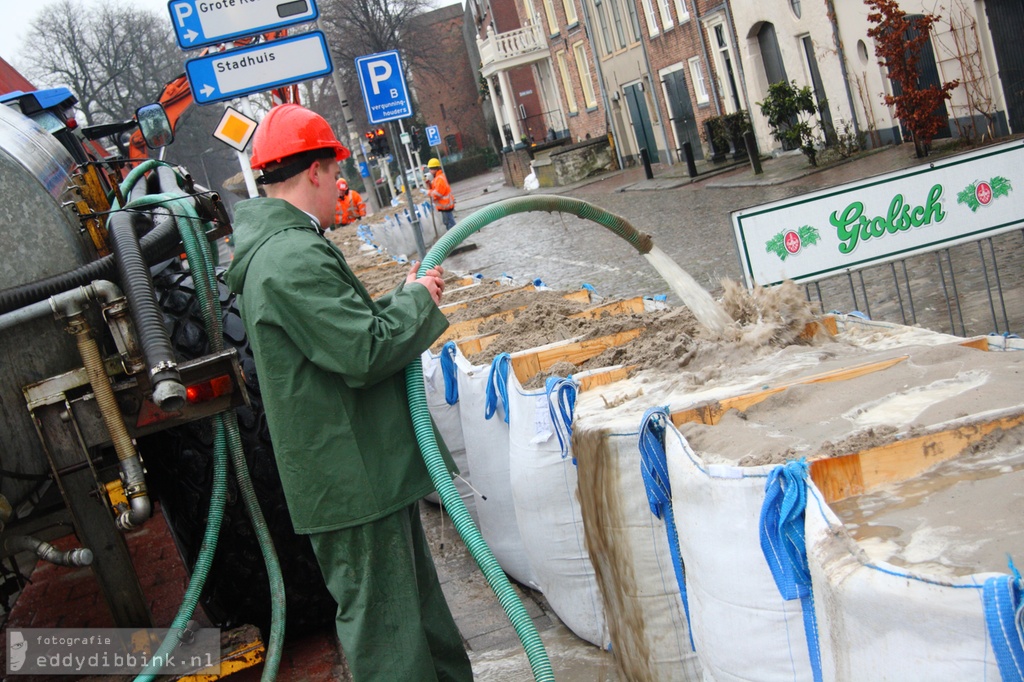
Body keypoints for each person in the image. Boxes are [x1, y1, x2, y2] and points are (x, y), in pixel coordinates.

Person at [223, 104, 471, 682]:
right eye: (336, 170)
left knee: (418, 623)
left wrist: (403, 300)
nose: (342, 185)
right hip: (353, 480)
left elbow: (338, 336)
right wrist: (416, 304)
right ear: (312, 171)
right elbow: (361, 353)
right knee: (391, 639)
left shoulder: (289, 249)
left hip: (364, 476)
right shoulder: (289, 258)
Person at [425, 157, 456, 230]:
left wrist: (428, 192)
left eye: (430, 169)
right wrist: (429, 185)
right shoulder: (437, 178)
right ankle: (455, 239)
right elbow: (435, 189)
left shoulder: (439, 179)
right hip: (444, 206)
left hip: (445, 205)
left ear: (435, 169)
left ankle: (456, 239)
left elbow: (438, 193)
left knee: (450, 224)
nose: (429, 171)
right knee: (447, 222)